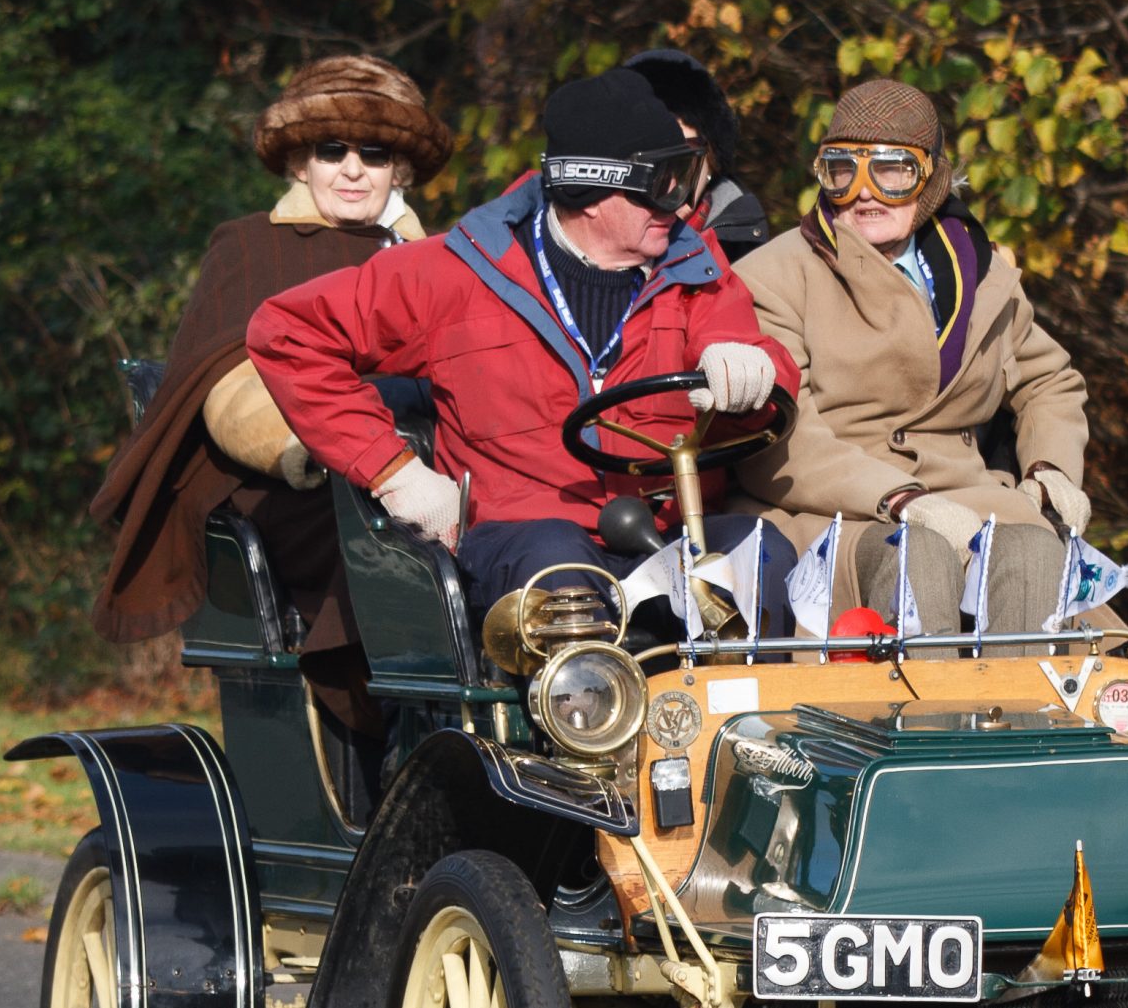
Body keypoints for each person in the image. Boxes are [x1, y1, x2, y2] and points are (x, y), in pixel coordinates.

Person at [248, 69, 801, 640]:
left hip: (666, 535)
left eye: (686, 178)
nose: (680, 205)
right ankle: (591, 698)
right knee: (558, 567)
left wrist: (754, 372)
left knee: (761, 552)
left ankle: (751, 697)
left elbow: (759, 367)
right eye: (663, 183)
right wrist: (396, 473)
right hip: (523, 540)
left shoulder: (698, 275)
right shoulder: (459, 272)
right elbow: (287, 332)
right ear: (591, 190)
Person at [90, 53, 451, 739]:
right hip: (288, 474)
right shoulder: (252, 244)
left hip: (426, 461)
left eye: (373, 153)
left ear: (399, 168)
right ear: (300, 162)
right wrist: (313, 449)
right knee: (372, 541)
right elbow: (229, 379)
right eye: (331, 150)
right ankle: (382, 728)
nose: (352, 169)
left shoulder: (438, 259)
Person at [734, 77, 1091, 634]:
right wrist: (900, 499)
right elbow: (783, 436)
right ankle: (924, 694)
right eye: (842, 171)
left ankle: (1027, 695)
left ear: (931, 180)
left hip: (972, 500)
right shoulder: (774, 275)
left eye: (892, 170)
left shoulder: (980, 272)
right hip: (837, 510)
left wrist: (1050, 467)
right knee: (916, 560)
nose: (864, 193)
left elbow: (1048, 381)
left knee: (1034, 553)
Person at [623, 48, 773, 260]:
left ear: (712, 160)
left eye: (685, 158)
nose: (668, 182)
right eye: (647, 157)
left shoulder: (746, 258)